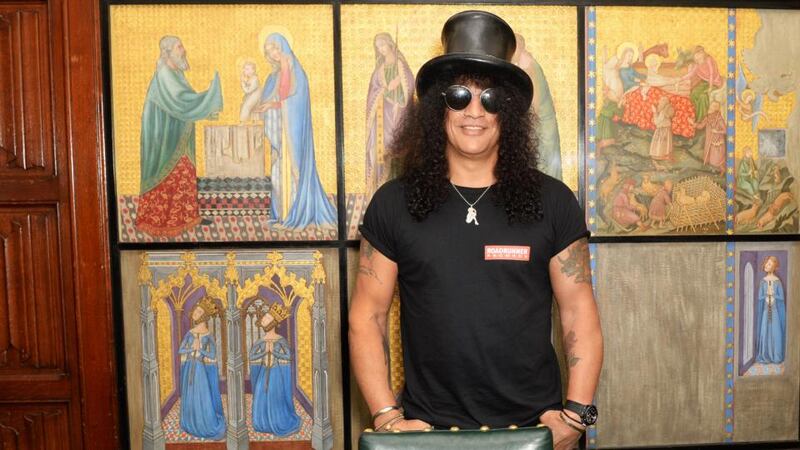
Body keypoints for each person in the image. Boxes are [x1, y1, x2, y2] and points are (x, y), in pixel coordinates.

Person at [348, 11, 603, 450]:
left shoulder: (553, 201)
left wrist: (577, 416)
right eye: (459, 95)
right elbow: (366, 316)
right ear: (438, 106)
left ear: (509, 112)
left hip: (534, 433)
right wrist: (386, 414)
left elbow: (579, 312)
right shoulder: (393, 203)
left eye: (491, 98)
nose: (475, 111)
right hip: (429, 436)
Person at [136, 35, 222, 237]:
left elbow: (186, 102)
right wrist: (209, 95)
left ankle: (187, 218)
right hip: (165, 137)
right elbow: (182, 101)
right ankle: (159, 222)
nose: (184, 50)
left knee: (184, 172)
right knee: (169, 174)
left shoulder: (176, 73)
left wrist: (205, 101)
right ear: (168, 52)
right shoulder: (165, 74)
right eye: (179, 47)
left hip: (178, 134)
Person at [254, 33, 337, 228]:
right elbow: (276, 99)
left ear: (284, 46)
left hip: (292, 132)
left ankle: (296, 215)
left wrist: (285, 67)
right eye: (269, 51)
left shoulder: (295, 70)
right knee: (277, 175)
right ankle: (282, 215)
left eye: (275, 48)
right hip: (279, 134)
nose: (274, 53)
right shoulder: (274, 75)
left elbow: (289, 98)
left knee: (293, 171)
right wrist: (267, 106)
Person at [365, 33, 415, 200]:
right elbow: (373, 92)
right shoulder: (379, 70)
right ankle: (382, 191)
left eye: (383, 45)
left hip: (398, 114)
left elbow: (409, 89)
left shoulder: (401, 65)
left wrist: (399, 100)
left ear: (390, 44)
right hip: (382, 117)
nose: (381, 49)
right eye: (378, 47)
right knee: (384, 150)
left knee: (398, 147)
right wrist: (388, 89)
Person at [249, 302, 302, 435]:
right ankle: (263, 422)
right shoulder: (261, 341)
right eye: (264, 317)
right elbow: (252, 356)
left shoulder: (280, 340)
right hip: (263, 373)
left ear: (273, 323)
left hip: (276, 373)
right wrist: (264, 352)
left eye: (267, 318)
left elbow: (288, 356)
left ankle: (277, 421)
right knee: (261, 394)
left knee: (275, 395)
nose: (264, 319)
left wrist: (275, 352)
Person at [178, 297, 226, 439]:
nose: (195, 313)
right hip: (189, 368)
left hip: (199, 368)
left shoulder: (208, 335)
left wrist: (201, 350)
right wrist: (190, 348)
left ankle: (203, 423)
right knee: (190, 394)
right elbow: (180, 350)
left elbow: (212, 354)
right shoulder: (190, 333)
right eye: (195, 311)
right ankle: (190, 421)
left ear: (204, 315)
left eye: (199, 312)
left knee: (201, 395)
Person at [755, 256, 786, 364]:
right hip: (765, 311)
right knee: (765, 332)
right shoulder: (763, 281)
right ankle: (765, 355)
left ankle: (776, 356)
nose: (766, 266)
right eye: (766, 263)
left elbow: (781, 297)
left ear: (773, 267)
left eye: (769, 264)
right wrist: (766, 295)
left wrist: (773, 294)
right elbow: (760, 297)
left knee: (776, 332)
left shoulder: (777, 281)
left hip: (775, 311)